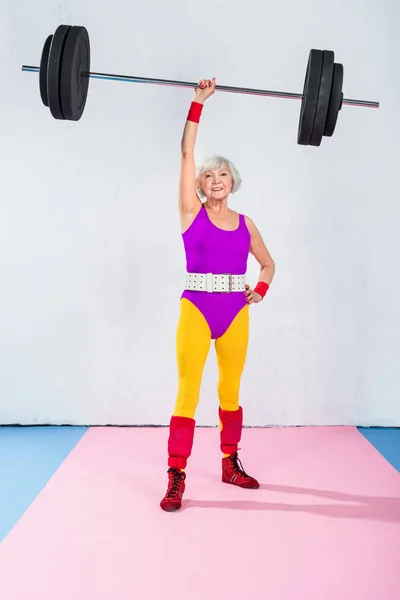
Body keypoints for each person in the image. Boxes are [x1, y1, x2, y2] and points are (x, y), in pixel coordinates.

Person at [160, 77, 275, 512]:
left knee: (230, 391)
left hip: (235, 312)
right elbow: (187, 153)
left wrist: (259, 291)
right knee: (188, 391)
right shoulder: (191, 215)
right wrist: (197, 104)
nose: (215, 179)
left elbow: (269, 264)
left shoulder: (246, 224)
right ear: (201, 187)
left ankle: (230, 463)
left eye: (223, 173)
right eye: (208, 176)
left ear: (234, 181)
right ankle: (176, 476)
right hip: (197, 309)